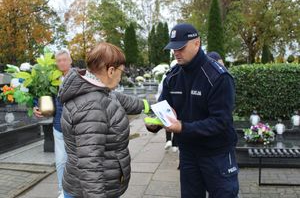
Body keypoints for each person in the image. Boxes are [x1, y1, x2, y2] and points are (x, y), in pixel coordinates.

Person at [146, 23, 239, 198]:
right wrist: (155, 123)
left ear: (197, 43)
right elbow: (162, 108)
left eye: (181, 47)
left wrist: (182, 127)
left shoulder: (218, 77)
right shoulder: (172, 76)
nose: (176, 52)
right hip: (188, 153)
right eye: (173, 48)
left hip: (217, 154)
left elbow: (221, 121)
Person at [59, 42, 150, 198]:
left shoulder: (97, 90)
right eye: (122, 71)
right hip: (88, 191)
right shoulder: (92, 107)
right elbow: (90, 164)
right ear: (111, 70)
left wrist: (149, 107)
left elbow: (119, 99)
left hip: (92, 184)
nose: (122, 76)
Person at [33, 49, 72, 198]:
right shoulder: (52, 78)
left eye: (64, 59)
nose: (62, 62)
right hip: (58, 127)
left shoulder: (79, 77)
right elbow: (41, 95)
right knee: (61, 161)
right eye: (59, 60)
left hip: (76, 128)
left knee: (76, 162)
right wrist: (35, 105)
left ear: (70, 60)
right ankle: (63, 191)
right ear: (56, 63)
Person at [155, 60, 178, 152]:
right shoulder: (180, 75)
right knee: (176, 122)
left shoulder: (166, 76)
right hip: (176, 102)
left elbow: (160, 88)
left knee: (167, 121)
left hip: (166, 102)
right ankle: (175, 144)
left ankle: (168, 140)